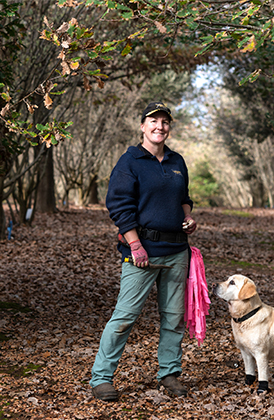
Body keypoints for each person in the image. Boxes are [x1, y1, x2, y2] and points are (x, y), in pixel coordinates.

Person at [91, 101, 198, 402]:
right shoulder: (130, 161)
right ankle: (101, 378)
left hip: (177, 250)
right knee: (125, 316)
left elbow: (184, 198)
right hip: (142, 252)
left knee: (174, 318)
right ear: (142, 126)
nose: (159, 127)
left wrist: (188, 217)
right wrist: (135, 244)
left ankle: (169, 373)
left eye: (164, 122)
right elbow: (119, 206)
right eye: (153, 121)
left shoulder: (177, 160)